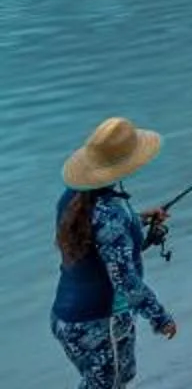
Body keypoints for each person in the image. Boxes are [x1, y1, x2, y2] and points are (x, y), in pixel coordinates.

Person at [54, 117, 177, 389]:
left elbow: (95, 240)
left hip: (67, 318)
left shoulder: (72, 198)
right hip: (99, 322)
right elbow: (125, 281)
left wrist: (137, 220)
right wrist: (160, 317)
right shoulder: (110, 214)